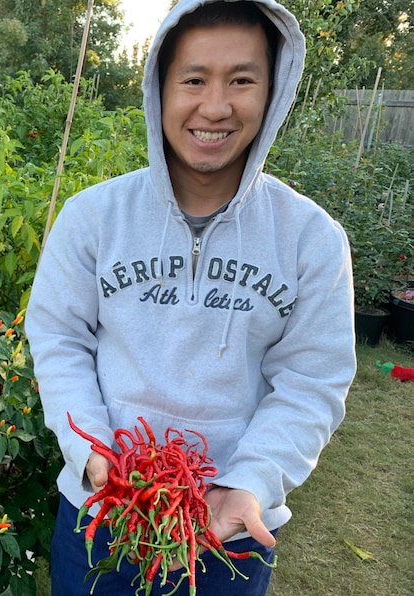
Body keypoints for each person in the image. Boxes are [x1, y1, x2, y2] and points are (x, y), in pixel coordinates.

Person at [25, 0, 357, 594]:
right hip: (101, 508)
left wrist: (252, 480)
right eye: (194, 79)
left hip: (229, 523)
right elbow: (59, 339)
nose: (216, 106)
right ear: (159, 89)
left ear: (273, 92)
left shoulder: (310, 239)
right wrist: (91, 449)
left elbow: (312, 381)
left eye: (242, 80)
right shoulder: (93, 218)